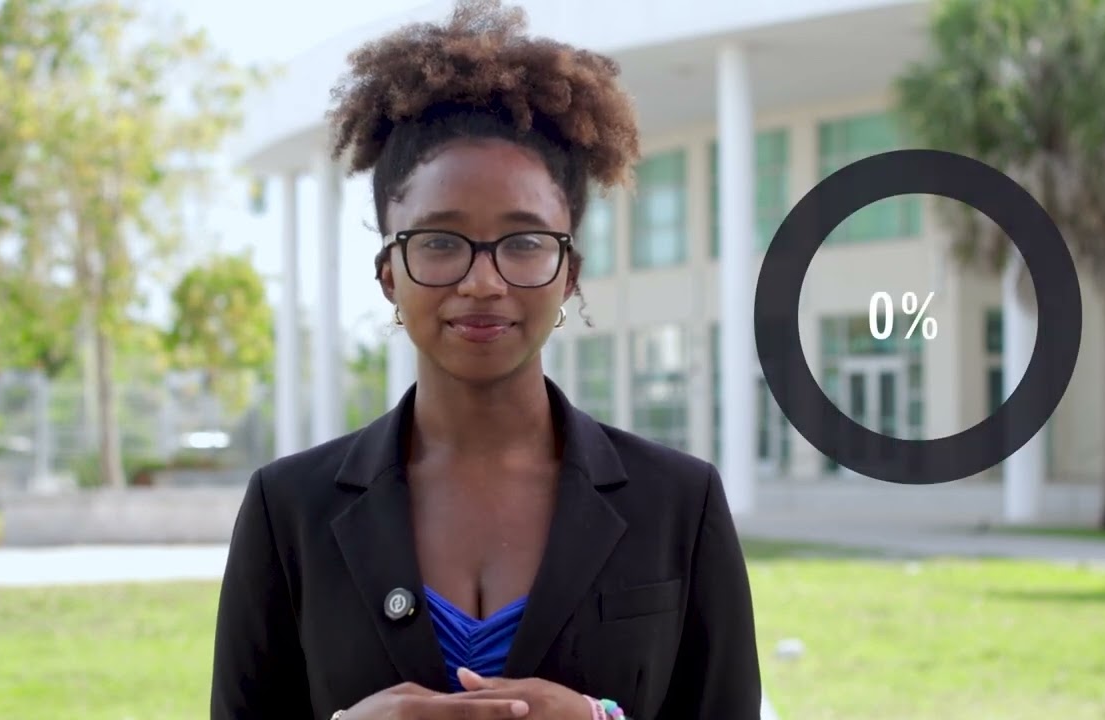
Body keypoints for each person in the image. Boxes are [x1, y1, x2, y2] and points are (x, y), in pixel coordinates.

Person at [209, 1, 762, 718]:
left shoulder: (678, 502)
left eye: (524, 243)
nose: (482, 282)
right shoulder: (289, 509)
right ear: (388, 273)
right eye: (439, 242)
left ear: (569, 273)